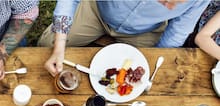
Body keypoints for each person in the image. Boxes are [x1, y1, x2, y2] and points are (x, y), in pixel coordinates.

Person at [39, 0, 210, 76]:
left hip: (143, 32)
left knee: (145, 77)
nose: (169, 7)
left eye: (177, 3)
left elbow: (178, 31)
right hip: (96, 10)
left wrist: (156, 59)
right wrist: (59, 46)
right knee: (46, 46)